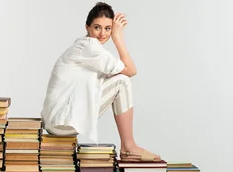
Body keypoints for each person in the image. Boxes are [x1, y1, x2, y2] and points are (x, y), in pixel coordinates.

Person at [40, 2, 161, 162]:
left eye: (108, 29)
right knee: (122, 82)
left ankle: (128, 146)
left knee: (118, 79)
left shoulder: (87, 48)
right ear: (87, 27)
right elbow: (131, 70)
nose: (102, 33)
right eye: (97, 27)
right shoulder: (89, 47)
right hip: (61, 123)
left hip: (58, 120)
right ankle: (129, 146)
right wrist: (118, 38)